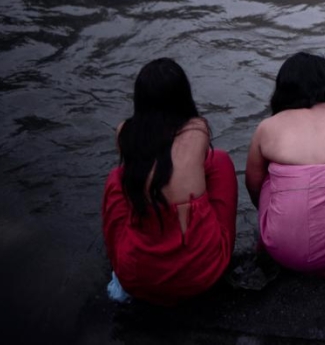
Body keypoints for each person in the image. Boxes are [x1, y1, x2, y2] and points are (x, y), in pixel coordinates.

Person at [102, 58, 238, 305]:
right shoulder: (197, 129)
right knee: (219, 162)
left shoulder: (124, 132)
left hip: (136, 279)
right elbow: (195, 168)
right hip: (203, 273)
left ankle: (117, 263)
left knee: (117, 178)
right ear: (183, 96)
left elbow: (147, 172)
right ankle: (218, 247)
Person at [245, 52, 325, 275]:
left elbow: (252, 186)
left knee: (268, 177)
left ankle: (280, 229)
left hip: (285, 251)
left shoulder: (268, 127)